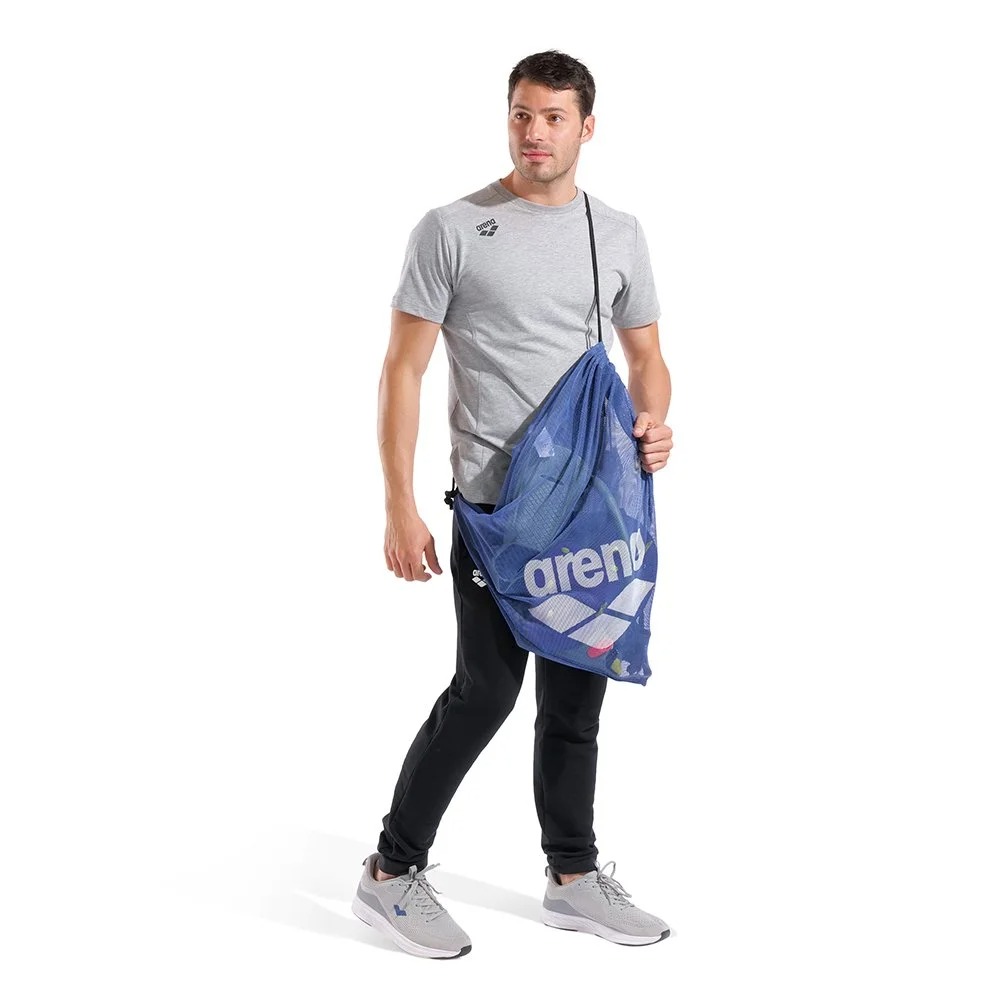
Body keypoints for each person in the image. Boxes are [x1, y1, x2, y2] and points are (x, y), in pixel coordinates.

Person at [351, 49, 674, 959]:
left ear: (587, 127)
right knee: (484, 693)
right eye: (522, 115)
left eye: (554, 117)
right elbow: (403, 369)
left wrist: (654, 421)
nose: (535, 133)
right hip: (498, 513)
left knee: (577, 701)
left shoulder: (619, 233)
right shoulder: (452, 229)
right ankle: (389, 873)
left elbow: (647, 356)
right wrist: (399, 503)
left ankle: (573, 879)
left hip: (595, 509)